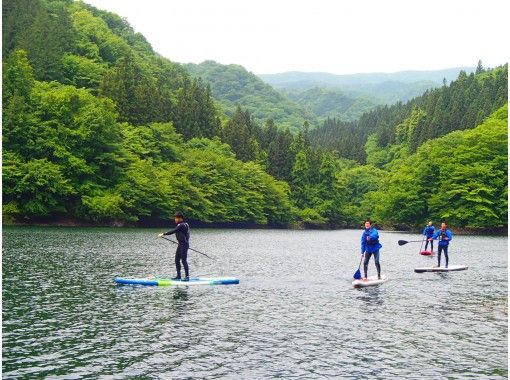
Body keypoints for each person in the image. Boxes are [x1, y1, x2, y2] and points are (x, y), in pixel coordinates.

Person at [158, 212, 190, 281]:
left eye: (176, 218)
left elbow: (174, 231)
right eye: (175, 218)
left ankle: (187, 277)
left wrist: (163, 234)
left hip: (184, 245)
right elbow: (185, 234)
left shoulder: (181, 225)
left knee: (184, 260)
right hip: (181, 244)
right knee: (177, 260)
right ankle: (178, 276)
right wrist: (180, 240)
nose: (175, 219)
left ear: (180, 218)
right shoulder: (185, 224)